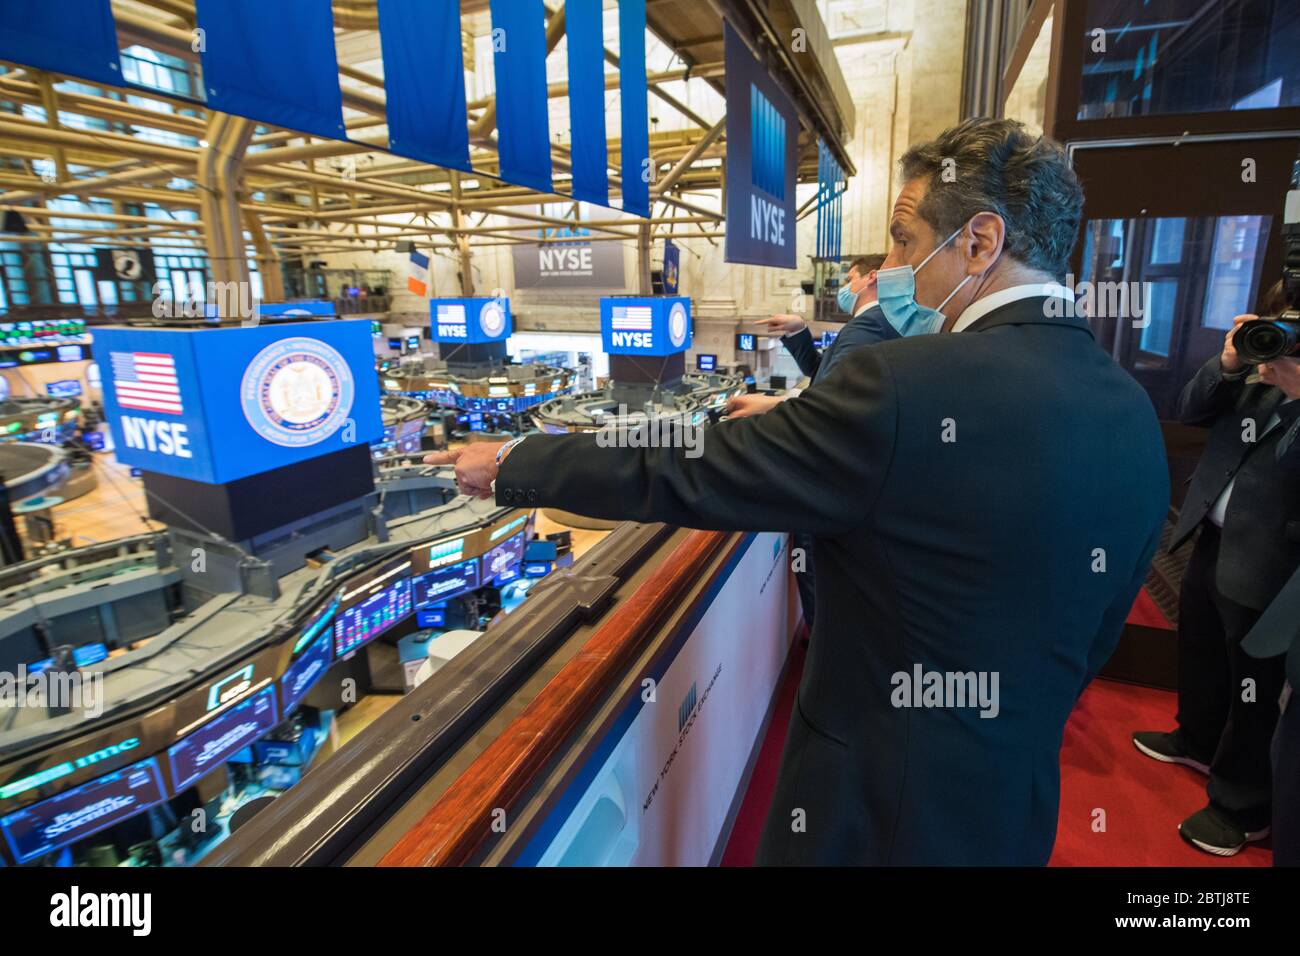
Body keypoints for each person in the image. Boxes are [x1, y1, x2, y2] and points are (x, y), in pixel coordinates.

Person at [427, 117, 1168, 865]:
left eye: (906, 241)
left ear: (980, 241)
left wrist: (522, 461)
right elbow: (1097, 630)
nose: (891, 266)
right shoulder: (1131, 410)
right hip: (1012, 802)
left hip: (871, 806)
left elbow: (695, 463)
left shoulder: (906, 383)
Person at [1133, 283, 1300, 856]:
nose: (1283, 334)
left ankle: (1242, 806)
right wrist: (1230, 362)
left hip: (1274, 557)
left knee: (1255, 685)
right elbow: (1191, 409)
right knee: (1201, 644)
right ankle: (1197, 739)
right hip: (1214, 531)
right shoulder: (1259, 361)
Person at [727, 255, 895, 420]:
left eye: (849, 279)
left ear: (871, 277)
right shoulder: (873, 322)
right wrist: (798, 329)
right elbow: (820, 371)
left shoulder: (868, 325)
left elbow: (835, 397)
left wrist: (774, 403)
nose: (843, 287)